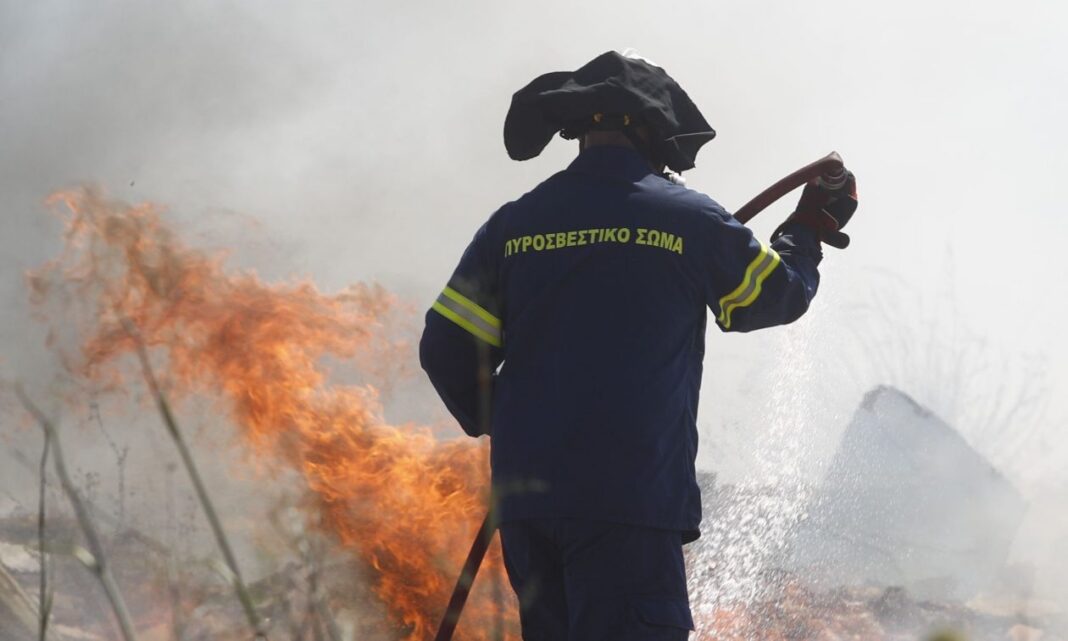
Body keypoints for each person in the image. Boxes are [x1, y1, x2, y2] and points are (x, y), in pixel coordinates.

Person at [419, 50, 857, 641]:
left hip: (530, 505)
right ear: (656, 133)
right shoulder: (689, 221)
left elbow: (446, 346)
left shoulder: (515, 224)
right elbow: (775, 296)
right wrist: (806, 230)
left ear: (581, 132)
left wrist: (518, 422)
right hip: (627, 500)